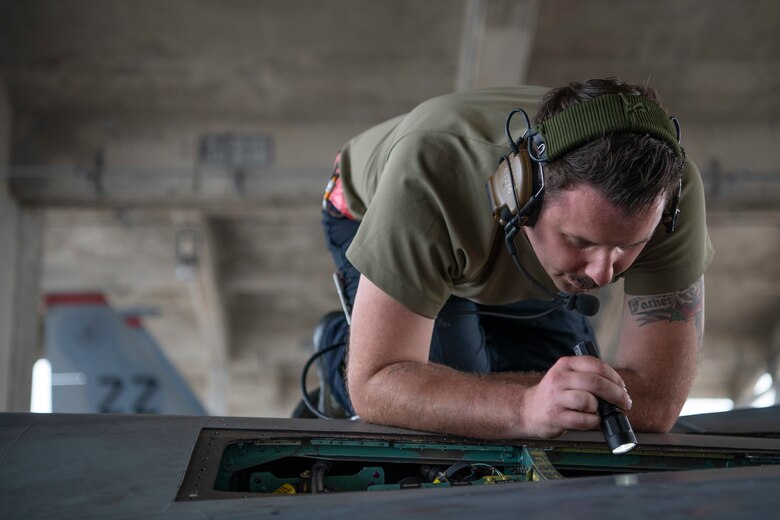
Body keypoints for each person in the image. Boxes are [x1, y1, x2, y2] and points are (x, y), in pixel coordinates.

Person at [316, 78, 713, 440]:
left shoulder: (672, 194)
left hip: (527, 249)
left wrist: (541, 401)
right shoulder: (429, 171)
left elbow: (655, 401)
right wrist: (520, 407)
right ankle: (338, 347)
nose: (603, 273)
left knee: (566, 415)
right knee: (456, 408)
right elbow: (379, 380)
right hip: (379, 209)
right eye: (580, 241)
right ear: (520, 193)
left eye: (628, 247)